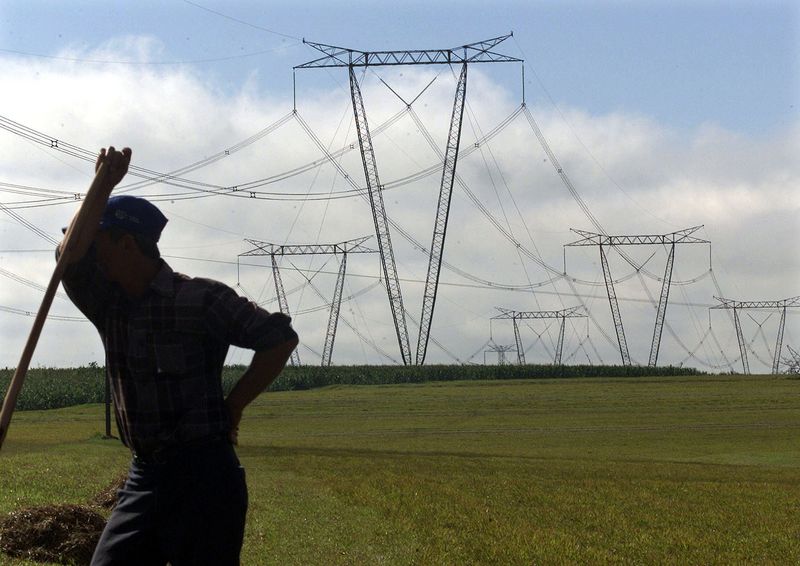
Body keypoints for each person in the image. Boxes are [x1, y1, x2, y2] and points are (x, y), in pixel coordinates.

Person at [58, 147, 299, 566]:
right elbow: (68, 256)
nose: (93, 255)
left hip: (205, 477)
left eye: (101, 243)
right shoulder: (107, 304)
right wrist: (102, 185)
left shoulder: (201, 298)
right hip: (144, 477)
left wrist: (234, 405)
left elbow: (279, 339)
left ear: (127, 243)